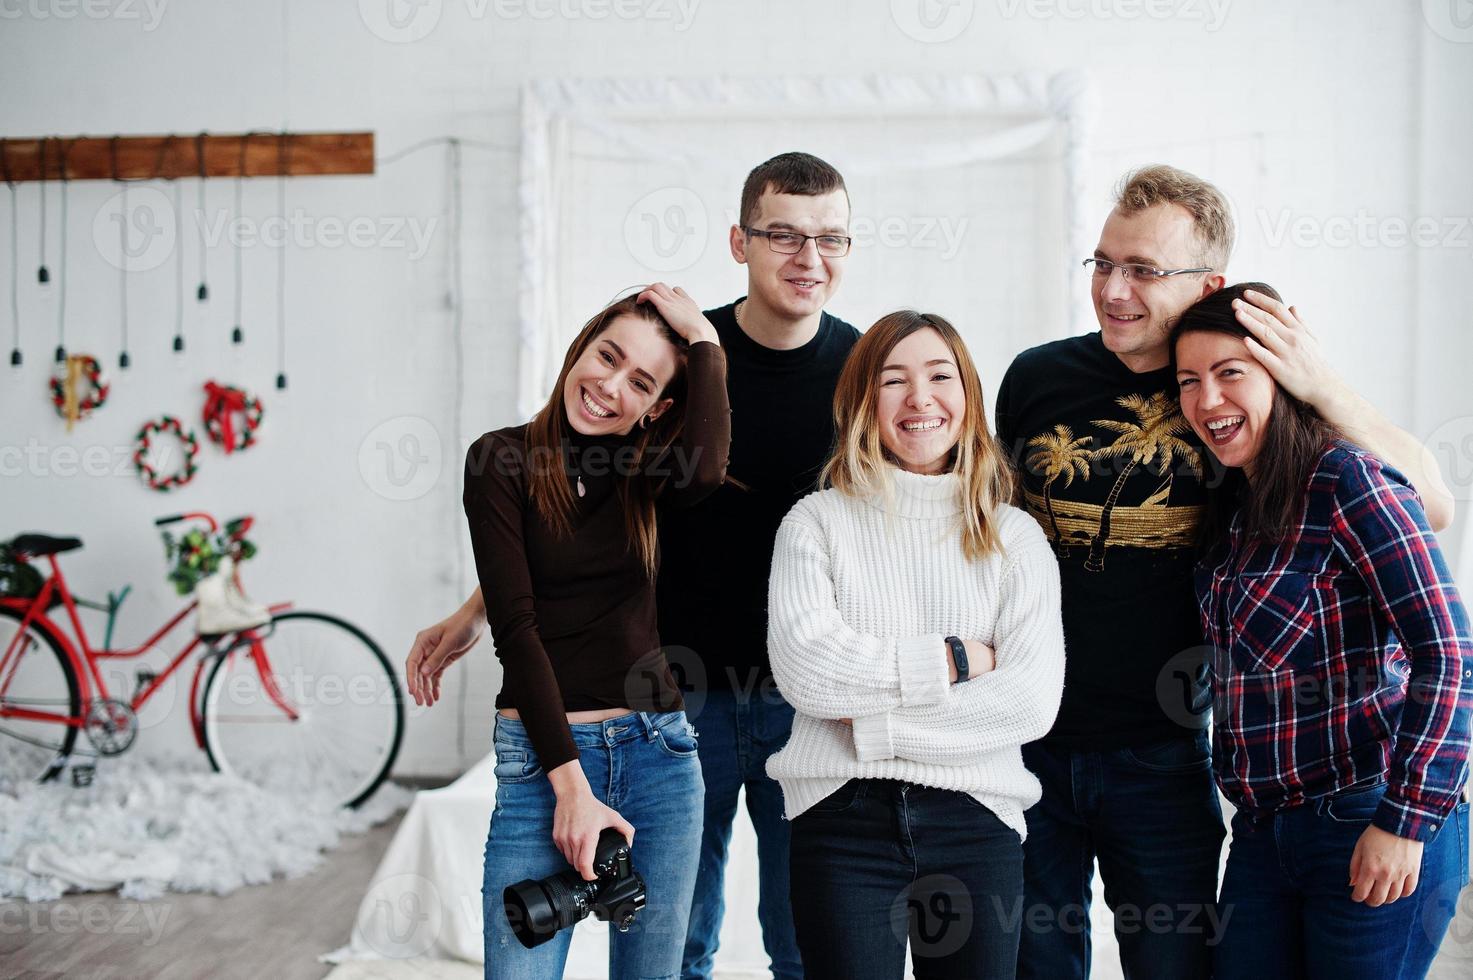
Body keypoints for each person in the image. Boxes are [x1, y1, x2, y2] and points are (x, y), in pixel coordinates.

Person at [993, 164, 1457, 979]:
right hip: (1032, 743)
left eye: (1142, 269)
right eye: (1102, 263)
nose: (1113, 289)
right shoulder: (1037, 378)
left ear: (1209, 284)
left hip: (1165, 758)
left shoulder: (1254, 410)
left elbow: (1432, 505)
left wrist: (1317, 382)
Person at [408, 152, 859, 980]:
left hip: (807, 696)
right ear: (740, 240)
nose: (807, 258)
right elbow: (587, 507)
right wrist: (480, 606)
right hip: (680, 694)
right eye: (784, 235)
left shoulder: (861, 371)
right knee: (681, 938)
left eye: (830, 239)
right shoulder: (681, 358)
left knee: (805, 936)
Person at [1171, 282, 1471, 980]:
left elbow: (1449, 653)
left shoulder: (1346, 481)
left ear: (1280, 375)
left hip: (1367, 816)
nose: (1207, 400)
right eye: (1189, 381)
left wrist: (1404, 820)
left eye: (1229, 373)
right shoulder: (1235, 508)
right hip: (1261, 833)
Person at [766, 311, 1066, 979]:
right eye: (892, 380)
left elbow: (1027, 703)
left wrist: (868, 722)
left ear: (967, 395)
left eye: (939, 376)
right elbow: (809, 675)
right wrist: (960, 661)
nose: (919, 399)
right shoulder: (816, 522)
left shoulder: (1012, 537)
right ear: (862, 403)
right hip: (840, 821)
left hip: (976, 822)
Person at [444, 284, 731, 979]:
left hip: (658, 756)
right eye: (607, 357)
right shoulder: (500, 460)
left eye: (640, 383)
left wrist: (707, 345)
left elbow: (709, 466)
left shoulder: (645, 474)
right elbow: (519, 627)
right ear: (581, 345)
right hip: (542, 766)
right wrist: (570, 787)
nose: (608, 386)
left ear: (658, 407)